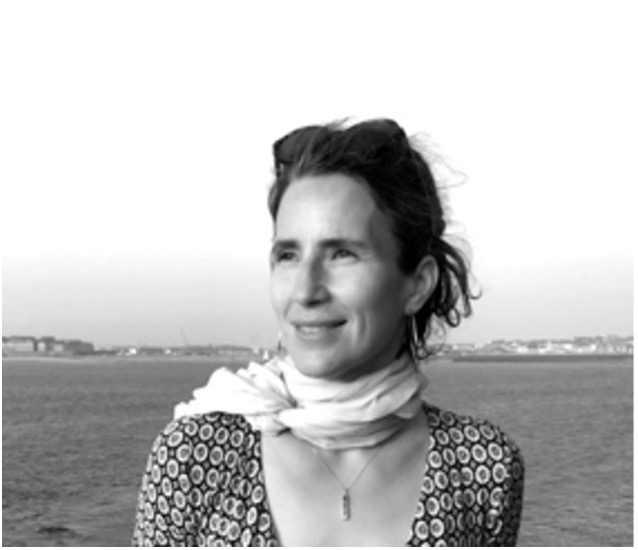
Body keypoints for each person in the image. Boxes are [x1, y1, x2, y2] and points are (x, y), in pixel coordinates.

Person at [132, 118, 524, 546]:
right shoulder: (194, 456)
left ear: (417, 284)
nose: (305, 291)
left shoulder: (483, 469)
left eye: (342, 253)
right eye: (288, 255)